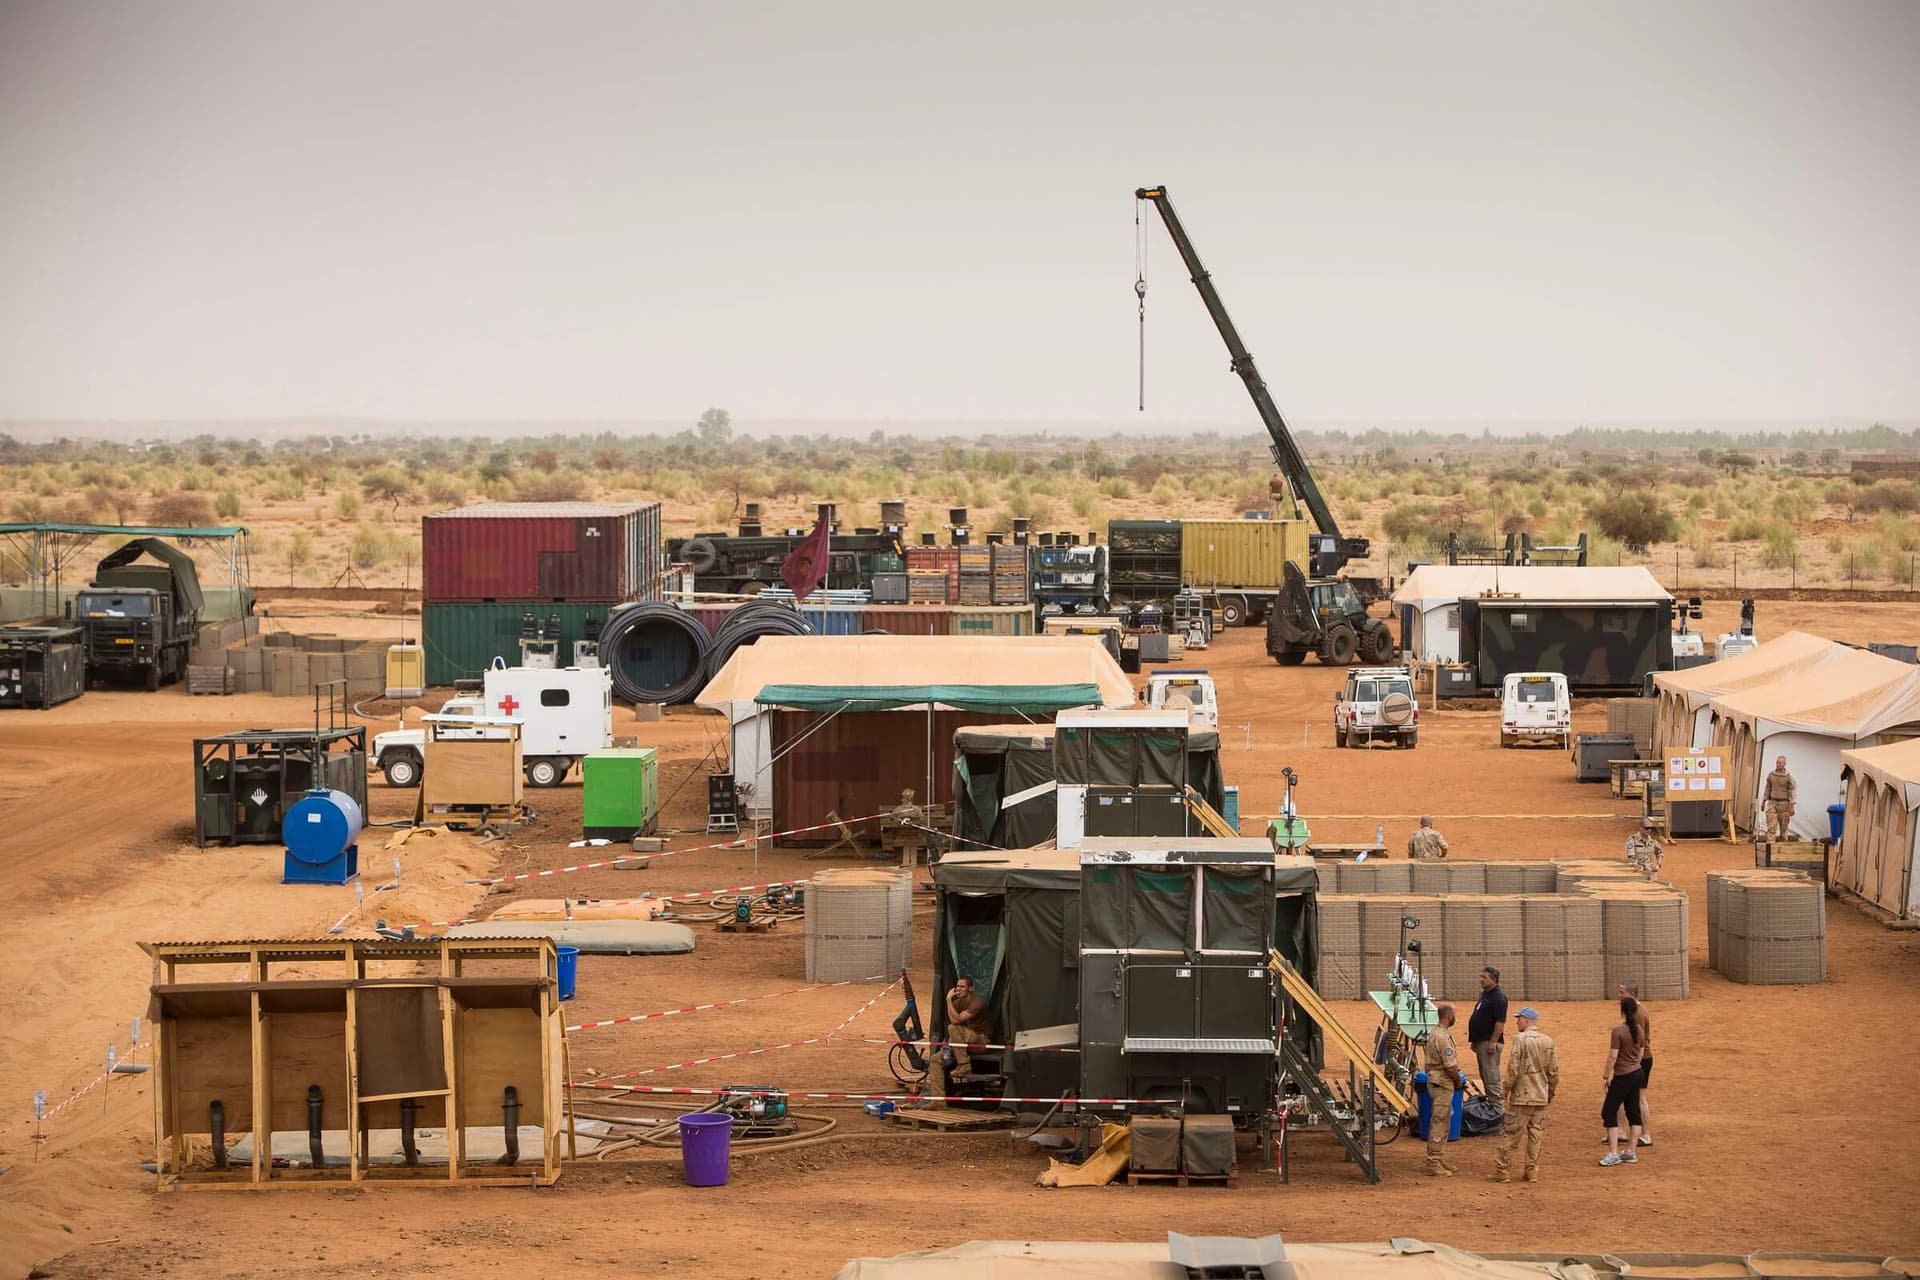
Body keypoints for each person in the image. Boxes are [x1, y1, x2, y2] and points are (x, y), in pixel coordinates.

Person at [1488, 1006, 1558, 1184]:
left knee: (1511, 1133)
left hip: (1522, 1096)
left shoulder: (1520, 1039)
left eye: (1519, 1019)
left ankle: (1503, 1170)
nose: (1517, 1022)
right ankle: (1531, 1170)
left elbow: (1513, 1067)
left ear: (1527, 1020)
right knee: (1536, 1134)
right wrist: (1550, 1092)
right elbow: (1554, 1072)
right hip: (1540, 1095)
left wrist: (1506, 1088)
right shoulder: (1548, 1041)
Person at [1599, 996, 1647, 1166]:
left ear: (1622, 1011)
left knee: (1608, 1112)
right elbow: (1641, 1053)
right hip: (1637, 1073)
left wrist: (1606, 1076)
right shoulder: (1640, 1030)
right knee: (1633, 1112)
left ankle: (1613, 1153)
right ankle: (1631, 1152)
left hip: (1623, 1076)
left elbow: (1613, 1056)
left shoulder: (1618, 1031)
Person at [1422, 1002, 1467, 1176]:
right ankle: (1433, 1161)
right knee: (1440, 1121)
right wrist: (1457, 1081)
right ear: (1449, 1017)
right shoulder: (1442, 1037)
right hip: (1442, 1082)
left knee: (1444, 1120)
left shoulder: (1438, 1033)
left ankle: (1438, 1157)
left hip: (1438, 1081)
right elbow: (1450, 1066)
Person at [1615, 979, 1653, 1147]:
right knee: (1623, 1095)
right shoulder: (1631, 1010)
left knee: (1639, 1097)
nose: (1619, 995)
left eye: (1622, 992)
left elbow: (1639, 1042)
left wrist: (1633, 1064)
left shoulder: (1637, 1013)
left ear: (1632, 994)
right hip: (1633, 1059)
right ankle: (1621, 1131)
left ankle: (1646, 1135)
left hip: (1640, 1059)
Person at [1468, 966, 1508, 1101]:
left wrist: (1493, 1041)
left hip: (1489, 1042)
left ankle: (1496, 1105)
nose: (1481, 980)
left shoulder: (1498, 997)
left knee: (1491, 1074)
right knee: (1485, 1073)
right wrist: (1475, 1040)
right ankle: (1491, 1102)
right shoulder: (1486, 994)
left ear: (1494, 980)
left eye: (1484, 977)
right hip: (1482, 1041)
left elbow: (1500, 1022)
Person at [942, 976, 991, 1078]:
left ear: (970, 989)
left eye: (962, 986)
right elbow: (952, 1019)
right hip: (965, 1043)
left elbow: (956, 1020)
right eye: (957, 986)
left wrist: (948, 1000)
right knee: (935, 1059)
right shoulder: (957, 1003)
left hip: (981, 1041)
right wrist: (950, 1002)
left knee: (953, 1028)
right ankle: (938, 1093)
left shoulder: (978, 1002)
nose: (959, 989)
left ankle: (964, 1065)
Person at [1765, 756, 1797, 841]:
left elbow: (1793, 791)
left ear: (1784, 764)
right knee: (1771, 827)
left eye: (1780, 763)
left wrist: (1792, 806)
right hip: (1772, 803)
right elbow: (1768, 788)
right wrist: (1764, 800)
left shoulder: (1788, 777)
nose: (1778, 764)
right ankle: (1770, 848)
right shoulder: (1771, 775)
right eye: (1777, 762)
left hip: (1784, 805)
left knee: (1783, 829)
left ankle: (1782, 849)